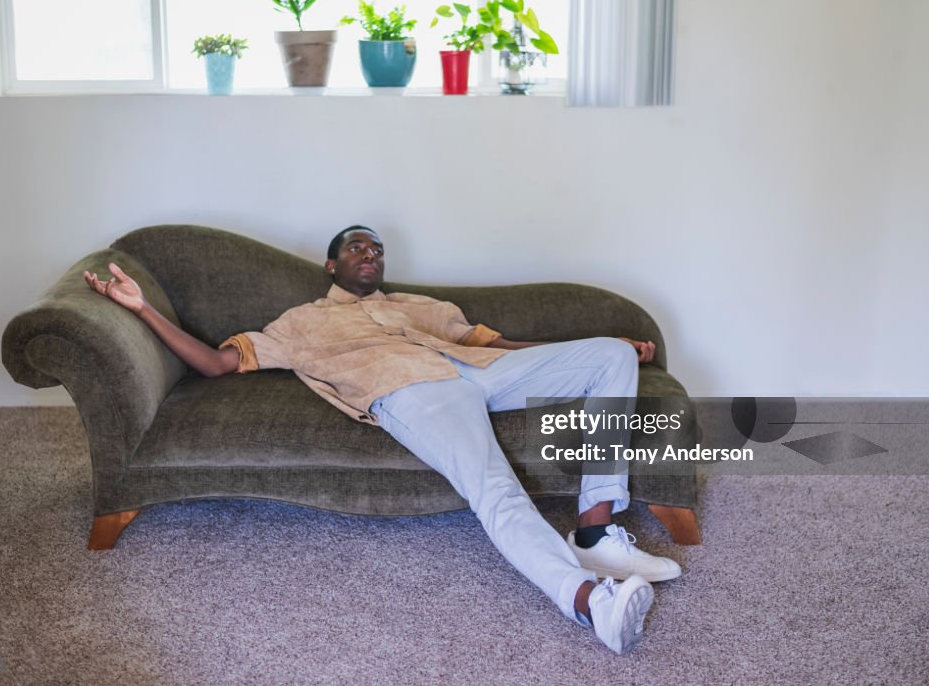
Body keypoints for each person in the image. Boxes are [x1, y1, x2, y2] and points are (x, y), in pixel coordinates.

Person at [84, 225, 682, 654]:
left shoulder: (419, 305)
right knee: (493, 485)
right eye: (355, 246)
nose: (369, 253)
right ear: (331, 265)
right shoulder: (298, 323)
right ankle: (586, 602)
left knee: (608, 355)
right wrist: (142, 311)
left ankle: (597, 531)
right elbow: (215, 364)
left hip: (476, 370)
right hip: (413, 393)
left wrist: (593, 349)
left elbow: (495, 347)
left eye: (376, 248)